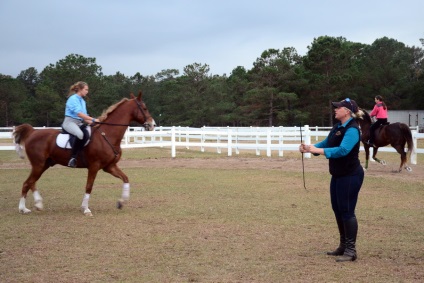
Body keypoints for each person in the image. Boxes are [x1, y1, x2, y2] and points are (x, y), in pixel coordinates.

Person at [299, 98, 365, 262]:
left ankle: (351, 251)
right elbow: (327, 143)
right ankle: (343, 246)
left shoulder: (352, 130)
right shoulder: (338, 128)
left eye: (338, 108)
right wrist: (310, 148)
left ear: (347, 111)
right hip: (338, 175)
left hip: (350, 175)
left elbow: (343, 150)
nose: (335, 110)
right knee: (338, 209)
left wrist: (318, 150)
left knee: (347, 211)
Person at [62, 81, 98, 168]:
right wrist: (93, 119)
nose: (87, 91)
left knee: (87, 134)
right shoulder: (73, 99)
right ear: (80, 89)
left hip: (79, 123)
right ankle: (72, 158)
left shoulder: (82, 101)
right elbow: (79, 114)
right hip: (69, 122)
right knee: (80, 134)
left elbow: (84, 117)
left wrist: (96, 123)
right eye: (86, 89)